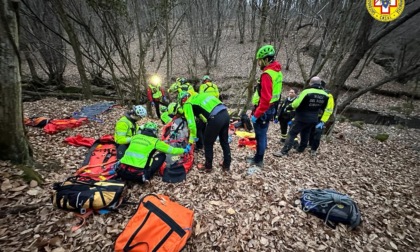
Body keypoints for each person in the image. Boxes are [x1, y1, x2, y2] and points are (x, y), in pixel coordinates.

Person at [273, 76, 329, 157]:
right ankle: (301, 148)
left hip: (302, 117)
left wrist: (289, 107)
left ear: (311, 83)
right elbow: (325, 108)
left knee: (292, 133)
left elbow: (296, 103)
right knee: (306, 132)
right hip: (314, 118)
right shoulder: (325, 94)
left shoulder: (306, 91)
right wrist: (322, 120)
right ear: (320, 84)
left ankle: (284, 151)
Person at [247, 44, 283, 168]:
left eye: (260, 60)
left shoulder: (267, 74)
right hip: (270, 108)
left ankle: (258, 160)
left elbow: (266, 98)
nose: (259, 63)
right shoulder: (277, 72)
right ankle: (258, 157)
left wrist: (256, 114)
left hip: (263, 109)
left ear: (266, 59)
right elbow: (276, 95)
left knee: (261, 135)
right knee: (262, 134)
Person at [117, 121, 189, 183]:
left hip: (122, 171)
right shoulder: (155, 141)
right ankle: (147, 175)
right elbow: (172, 150)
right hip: (138, 175)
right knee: (162, 155)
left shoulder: (135, 137)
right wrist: (184, 150)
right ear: (155, 131)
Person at [178, 91, 231, 172]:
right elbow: (202, 115)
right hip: (225, 113)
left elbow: (192, 125)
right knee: (224, 141)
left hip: (215, 117)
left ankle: (208, 166)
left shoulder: (187, 104)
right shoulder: (199, 97)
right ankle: (226, 165)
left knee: (208, 143)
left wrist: (191, 140)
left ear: (182, 100)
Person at [308, 80, 335, 156]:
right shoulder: (311, 92)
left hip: (320, 118)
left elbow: (329, 109)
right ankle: (309, 144)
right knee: (310, 131)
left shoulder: (328, 96)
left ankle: (313, 149)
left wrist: (323, 121)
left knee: (317, 133)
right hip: (311, 116)